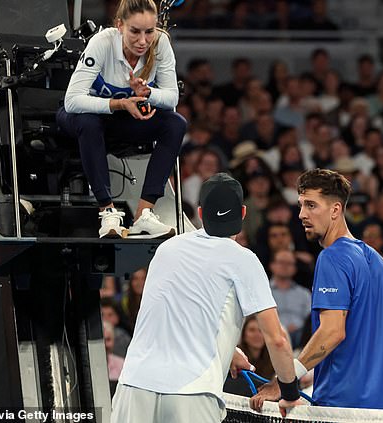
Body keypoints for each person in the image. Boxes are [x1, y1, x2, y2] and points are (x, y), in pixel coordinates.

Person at [112, 173, 301, 422]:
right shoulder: (244, 259)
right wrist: (288, 390)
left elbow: (171, 312)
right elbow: (276, 339)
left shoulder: (166, 248)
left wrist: (227, 350)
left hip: (133, 387)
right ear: (243, 213)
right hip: (191, 392)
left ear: (200, 214)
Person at [252, 169, 383, 410]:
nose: (302, 214)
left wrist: (286, 382)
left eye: (311, 205)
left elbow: (333, 332)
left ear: (335, 210)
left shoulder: (332, 257)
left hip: (340, 407)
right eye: (301, 205)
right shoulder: (382, 264)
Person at [57, 0, 187, 238]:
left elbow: (171, 99)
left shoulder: (161, 43)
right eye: (135, 32)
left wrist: (147, 93)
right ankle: (107, 213)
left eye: (149, 32)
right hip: (81, 119)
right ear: (119, 25)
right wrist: (119, 103)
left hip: (123, 119)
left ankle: (144, 214)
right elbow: (72, 101)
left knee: (176, 124)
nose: (143, 41)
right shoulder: (102, 42)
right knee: (89, 121)